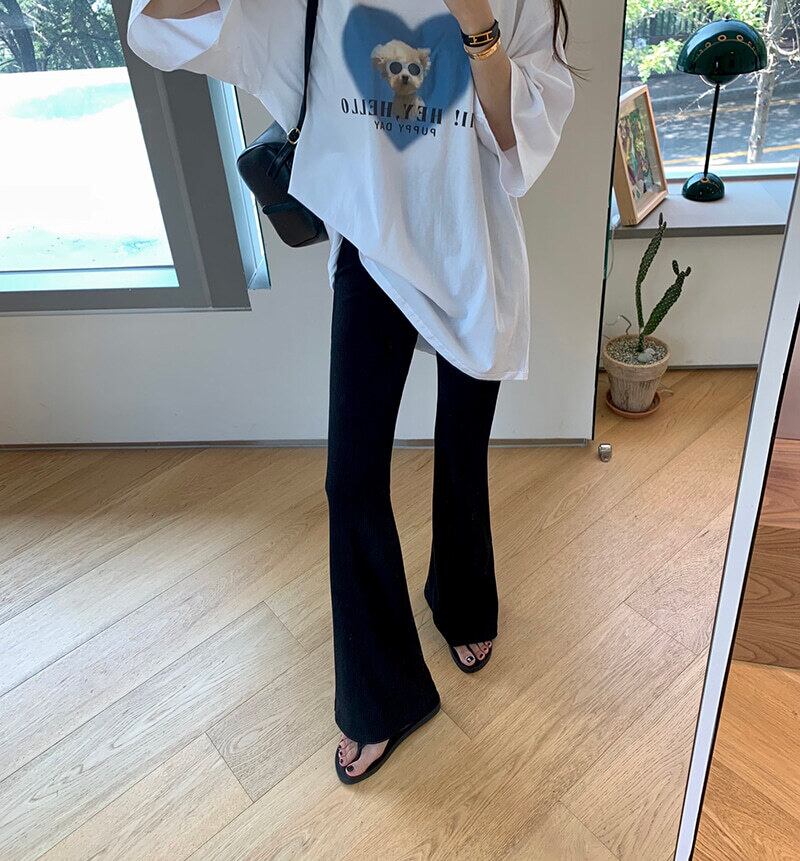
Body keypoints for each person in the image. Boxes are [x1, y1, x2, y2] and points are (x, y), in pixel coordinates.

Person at [127, 0, 577, 784]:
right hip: (371, 248)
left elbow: (519, 139)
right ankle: (381, 695)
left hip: (473, 246)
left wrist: (475, 17)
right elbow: (163, 19)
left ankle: (462, 600)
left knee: (462, 450)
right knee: (351, 478)